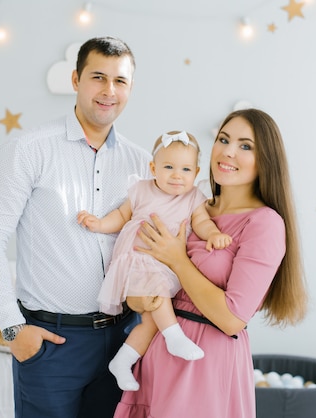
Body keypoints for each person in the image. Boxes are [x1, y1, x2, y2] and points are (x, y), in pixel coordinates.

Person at [0, 36, 152, 418]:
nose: (108, 91)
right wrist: (12, 329)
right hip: (52, 343)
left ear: (131, 88)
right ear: (75, 79)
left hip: (124, 339)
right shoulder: (29, 149)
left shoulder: (144, 162)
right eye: (97, 77)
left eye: (120, 81)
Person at [113, 108, 308, 418]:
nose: (228, 151)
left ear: (265, 161)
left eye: (246, 145)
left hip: (206, 363)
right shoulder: (191, 203)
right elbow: (146, 276)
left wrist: (178, 259)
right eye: (223, 139)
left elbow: (233, 318)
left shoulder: (264, 223)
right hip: (157, 349)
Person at [77, 130, 232, 391]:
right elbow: (121, 215)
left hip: (164, 262)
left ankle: (123, 361)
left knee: (150, 322)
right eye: (168, 167)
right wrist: (101, 224)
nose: (176, 175)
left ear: (195, 173)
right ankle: (175, 337)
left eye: (185, 169)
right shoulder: (141, 189)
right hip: (138, 257)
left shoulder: (194, 197)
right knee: (157, 294)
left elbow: (202, 222)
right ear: (153, 168)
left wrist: (214, 234)